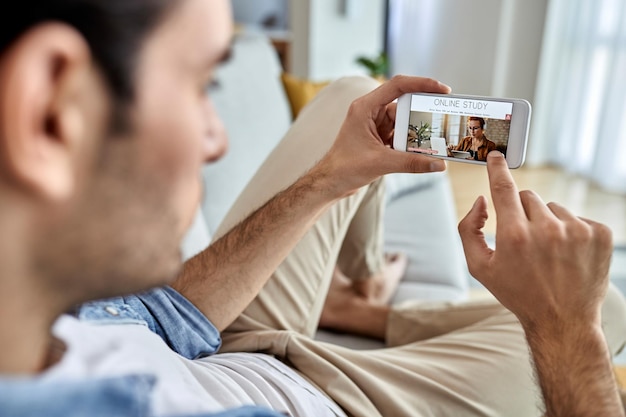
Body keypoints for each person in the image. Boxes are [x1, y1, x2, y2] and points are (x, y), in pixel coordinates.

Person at [0, 2, 625, 417]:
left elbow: (166, 320)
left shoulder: (46, 310)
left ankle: (354, 301)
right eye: (201, 84)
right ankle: (364, 308)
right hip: (337, 400)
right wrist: (568, 333)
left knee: (357, 99)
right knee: (605, 306)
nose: (217, 140)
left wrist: (327, 180)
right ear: (51, 113)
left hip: (228, 344)